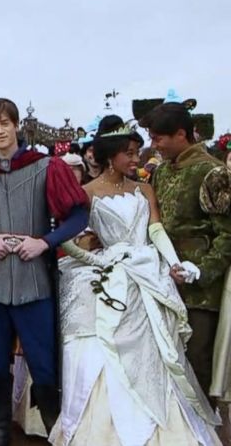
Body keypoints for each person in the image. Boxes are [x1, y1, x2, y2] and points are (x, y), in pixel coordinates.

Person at [51, 115, 220, 445]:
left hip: (148, 274)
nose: (135, 158)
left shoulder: (145, 188)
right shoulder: (85, 194)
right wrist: (97, 258)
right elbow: (65, 237)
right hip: (110, 275)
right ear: (110, 155)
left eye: (136, 151)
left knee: (162, 352)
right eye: (129, 152)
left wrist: (173, 263)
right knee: (104, 347)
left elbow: (155, 229)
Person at [0, 98, 89, 446]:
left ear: (16, 125)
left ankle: (55, 429)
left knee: (44, 364)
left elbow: (78, 215)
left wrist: (45, 242)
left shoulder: (47, 166)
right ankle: (0, 428)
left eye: (4, 123)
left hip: (34, 282)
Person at [140, 103, 231, 412]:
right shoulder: (162, 171)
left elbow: (227, 233)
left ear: (181, 134)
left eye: (158, 138)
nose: (154, 145)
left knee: (198, 359)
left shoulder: (211, 171)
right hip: (163, 280)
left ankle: (205, 427)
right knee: (168, 355)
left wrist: (202, 271)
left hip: (200, 290)